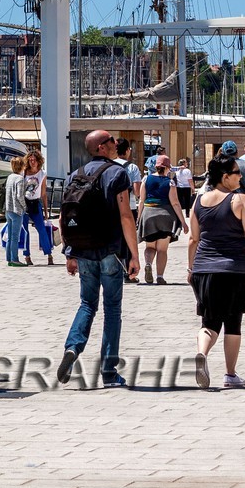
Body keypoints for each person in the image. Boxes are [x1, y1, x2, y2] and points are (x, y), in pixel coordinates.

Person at [56, 129, 140, 389]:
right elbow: (126, 215)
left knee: (87, 304)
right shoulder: (117, 173)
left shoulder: (75, 175)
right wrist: (134, 255)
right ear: (102, 147)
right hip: (110, 251)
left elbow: (64, 216)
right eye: (111, 140)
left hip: (83, 250)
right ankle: (109, 371)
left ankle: (72, 347)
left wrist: (69, 252)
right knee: (112, 309)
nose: (116, 143)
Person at [187, 152, 245, 390]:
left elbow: (193, 239)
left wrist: (191, 268)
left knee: (209, 322)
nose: (240, 177)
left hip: (204, 269)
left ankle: (202, 353)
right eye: (236, 173)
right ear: (225, 177)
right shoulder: (240, 200)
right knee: (233, 322)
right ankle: (230, 374)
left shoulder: (198, 201)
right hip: (236, 270)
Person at [139, 155, 188, 284]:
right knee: (162, 249)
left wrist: (138, 219)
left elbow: (141, 200)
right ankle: (160, 277)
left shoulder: (146, 179)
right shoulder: (170, 182)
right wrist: (183, 222)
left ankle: (148, 263)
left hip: (149, 214)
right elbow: (175, 203)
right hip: (166, 216)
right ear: (167, 168)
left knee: (150, 246)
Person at [21, 151, 55, 266]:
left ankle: (49, 254)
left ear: (39, 161)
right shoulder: (24, 173)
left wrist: (46, 211)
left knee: (42, 229)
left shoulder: (42, 173)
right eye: (30, 160)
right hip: (24, 203)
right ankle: (27, 256)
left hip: (35, 203)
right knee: (25, 231)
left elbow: (43, 194)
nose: (32, 162)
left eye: (34, 160)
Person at [4, 155, 28, 267]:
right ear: (22, 166)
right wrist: (24, 206)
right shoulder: (20, 179)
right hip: (16, 210)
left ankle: (9, 258)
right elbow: (19, 195)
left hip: (8, 209)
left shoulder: (10, 177)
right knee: (15, 237)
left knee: (9, 236)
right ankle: (15, 259)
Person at [115, 137, 143, 215]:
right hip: (129, 206)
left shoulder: (109, 165)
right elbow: (137, 191)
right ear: (127, 150)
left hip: (112, 207)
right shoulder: (133, 167)